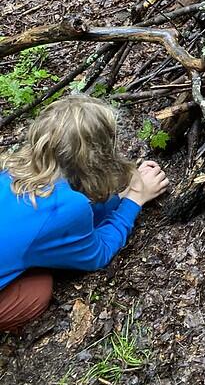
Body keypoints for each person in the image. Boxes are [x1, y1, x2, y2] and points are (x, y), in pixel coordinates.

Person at [0, 94, 169, 333]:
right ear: (94, 156)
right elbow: (96, 254)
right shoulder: (66, 207)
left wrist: (118, 198)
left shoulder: (9, 167)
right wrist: (135, 199)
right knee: (37, 291)